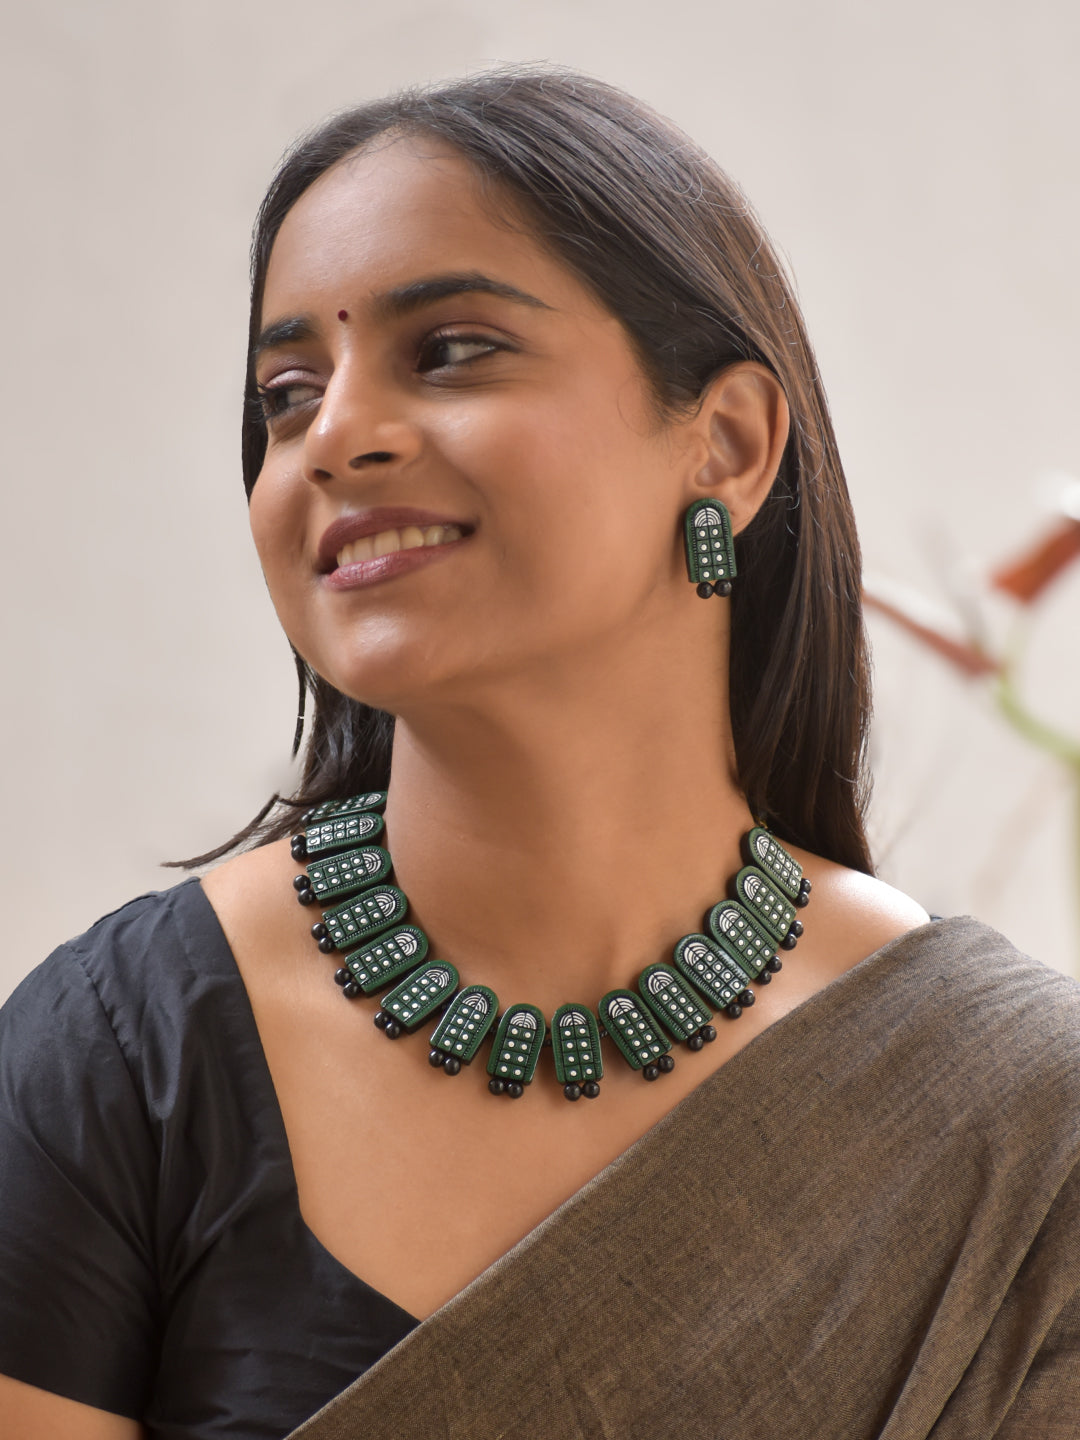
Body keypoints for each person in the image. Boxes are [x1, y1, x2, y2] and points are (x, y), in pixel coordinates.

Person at [1, 66, 1078, 1440]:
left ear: (729, 444)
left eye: (449, 350)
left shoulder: (1010, 1120)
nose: (334, 436)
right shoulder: (121, 1060)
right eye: (284, 392)